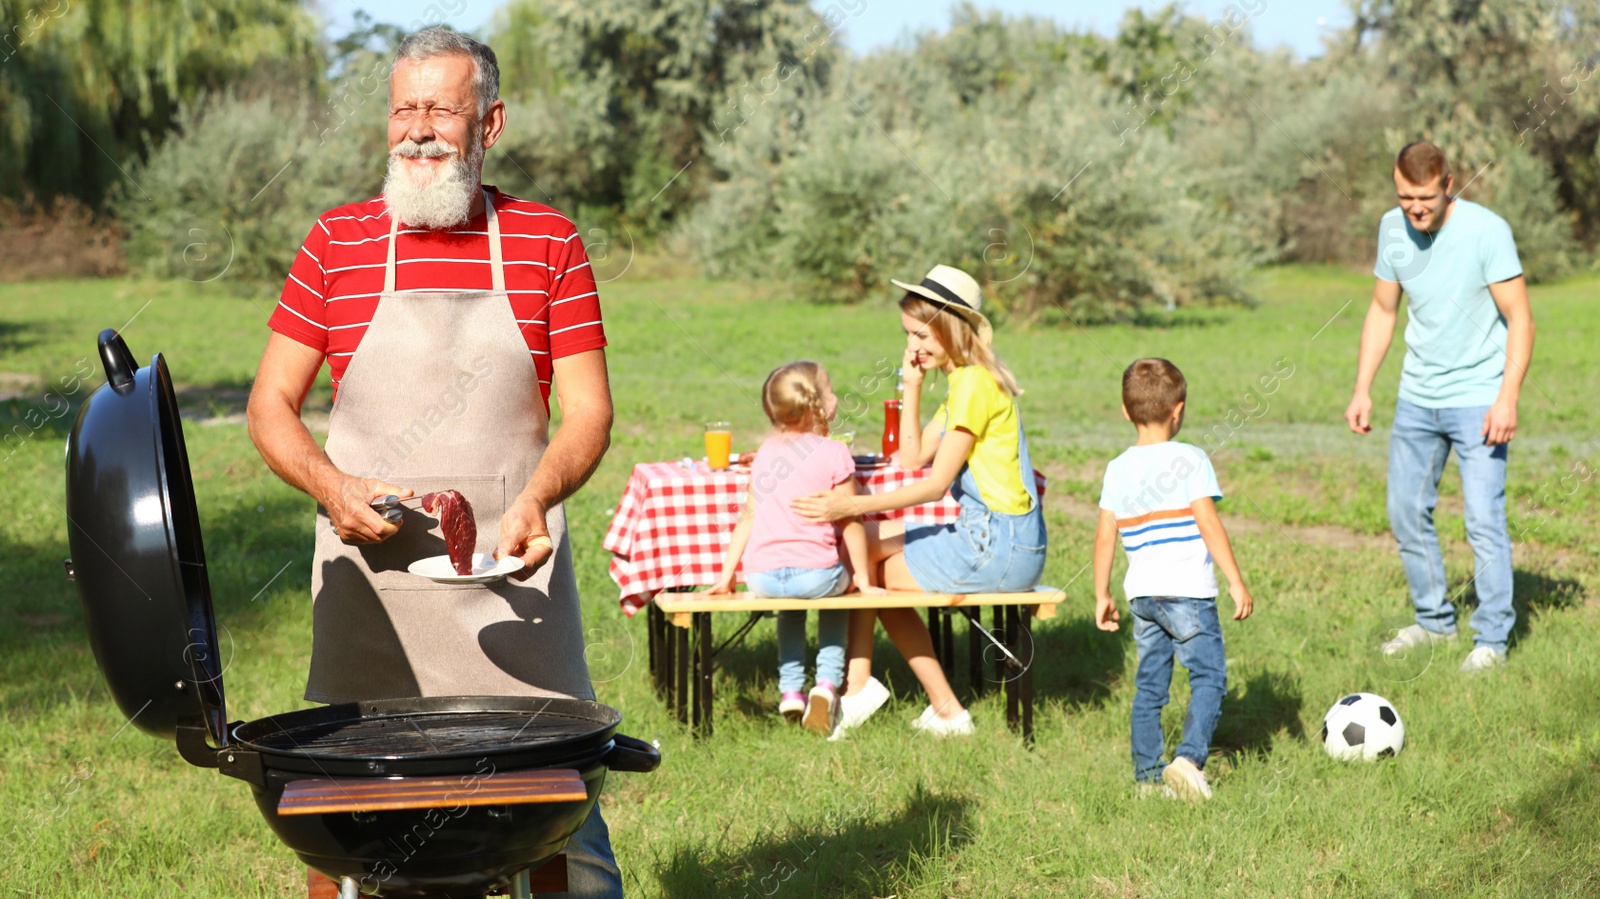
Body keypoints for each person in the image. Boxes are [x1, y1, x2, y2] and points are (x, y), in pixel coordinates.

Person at [245, 28, 624, 897]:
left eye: (440, 109)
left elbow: (590, 412)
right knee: (348, 841)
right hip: (370, 596)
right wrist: (332, 486)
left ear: (488, 123)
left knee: (564, 834)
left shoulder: (547, 240)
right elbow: (270, 407)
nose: (418, 128)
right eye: (402, 108)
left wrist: (540, 493)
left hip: (515, 585)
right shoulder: (335, 241)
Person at [792, 264, 1047, 739]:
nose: (914, 347)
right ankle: (868, 687)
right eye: (908, 336)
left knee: (872, 572)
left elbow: (932, 485)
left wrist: (849, 506)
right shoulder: (965, 383)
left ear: (949, 327)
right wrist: (910, 385)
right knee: (864, 548)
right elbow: (911, 459)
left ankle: (926, 704)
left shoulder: (972, 385)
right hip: (996, 539)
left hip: (997, 546)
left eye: (921, 336)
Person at [1344, 141, 1535, 673]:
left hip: (1479, 399)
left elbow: (1521, 318)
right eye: (1405, 197)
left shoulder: (1486, 231)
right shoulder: (1392, 229)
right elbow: (1383, 310)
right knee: (1405, 512)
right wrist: (1363, 387)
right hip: (1416, 399)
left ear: (1449, 184)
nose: (1415, 209)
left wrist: (1507, 398)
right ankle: (1433, 623)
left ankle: (1492, 642)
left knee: (1482, 519)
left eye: (1425, 197)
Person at [1092, 358, 1254, 801]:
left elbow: (1105, 534)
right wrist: (1236, 581)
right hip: (1188, 593)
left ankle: (1146, 778)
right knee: (1208, 678)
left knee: (1150, 686)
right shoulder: (1190, 459)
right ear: (1178, 411)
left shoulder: (1117, 468)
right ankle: (1188, 761)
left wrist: (1101, 592)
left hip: (1142, 596)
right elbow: (1208, 523)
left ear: (1126, 412)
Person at [706, 361, 885, 734]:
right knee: (837, 599)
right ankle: (826, 686)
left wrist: (726, 579)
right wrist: (863, 580)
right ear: (817, 405)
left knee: (790, 608)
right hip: (817, 576)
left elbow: (747, 519)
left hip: (762, 580)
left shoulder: (766, 452)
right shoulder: (835, 452)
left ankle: (790, 690)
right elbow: (851, 519)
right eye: (831, 389)